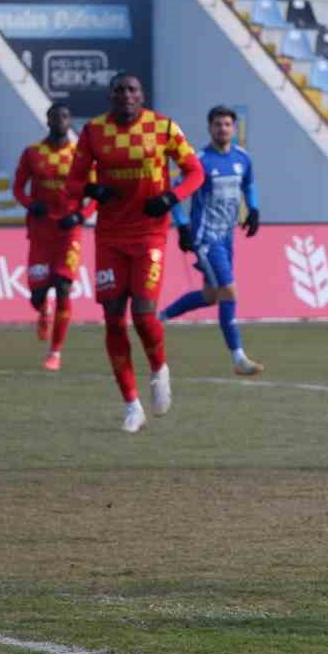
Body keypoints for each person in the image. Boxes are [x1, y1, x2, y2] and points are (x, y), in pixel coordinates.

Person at [65, 74, 205, 434]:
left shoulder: (163, 127)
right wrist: (93, 187)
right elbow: (73, 180)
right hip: (110, 237)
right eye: (119, 90)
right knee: (113, 319)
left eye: (132, 90)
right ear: (110, 96)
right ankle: (132, 406)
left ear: (142, 95)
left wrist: (172, 197)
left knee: (143, 316)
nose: (126, 95)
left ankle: (159, 371)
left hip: (149, 235)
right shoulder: (94, 132)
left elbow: (195, 172)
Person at [162, 105, 263, 376]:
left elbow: (249, 185)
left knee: (210, 296)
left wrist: (253, 208)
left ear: (233, 128)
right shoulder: (199, 161)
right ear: (210, 128)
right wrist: (182, 226)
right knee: (229, 292)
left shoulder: (243, 158)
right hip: (205, 237)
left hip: (227, 234)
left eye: (227, 124)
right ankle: (239, 358)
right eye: (218, 124)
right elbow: (174, 192)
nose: (223, 129)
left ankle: (159, 318)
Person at [11, 103, 92, 372]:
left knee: (64, 287)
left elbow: (97, 192)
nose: (60, 121)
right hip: (40, 233)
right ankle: (42, 309)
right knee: (37, 295)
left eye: (65, 116)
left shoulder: (81, 155)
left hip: (69, 231)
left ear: (70, 121)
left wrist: (81, 215)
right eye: (55, 116)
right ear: (48, 120)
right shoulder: (33, 153)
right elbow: (18, 188)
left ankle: (55, 352)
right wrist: (30, 204)